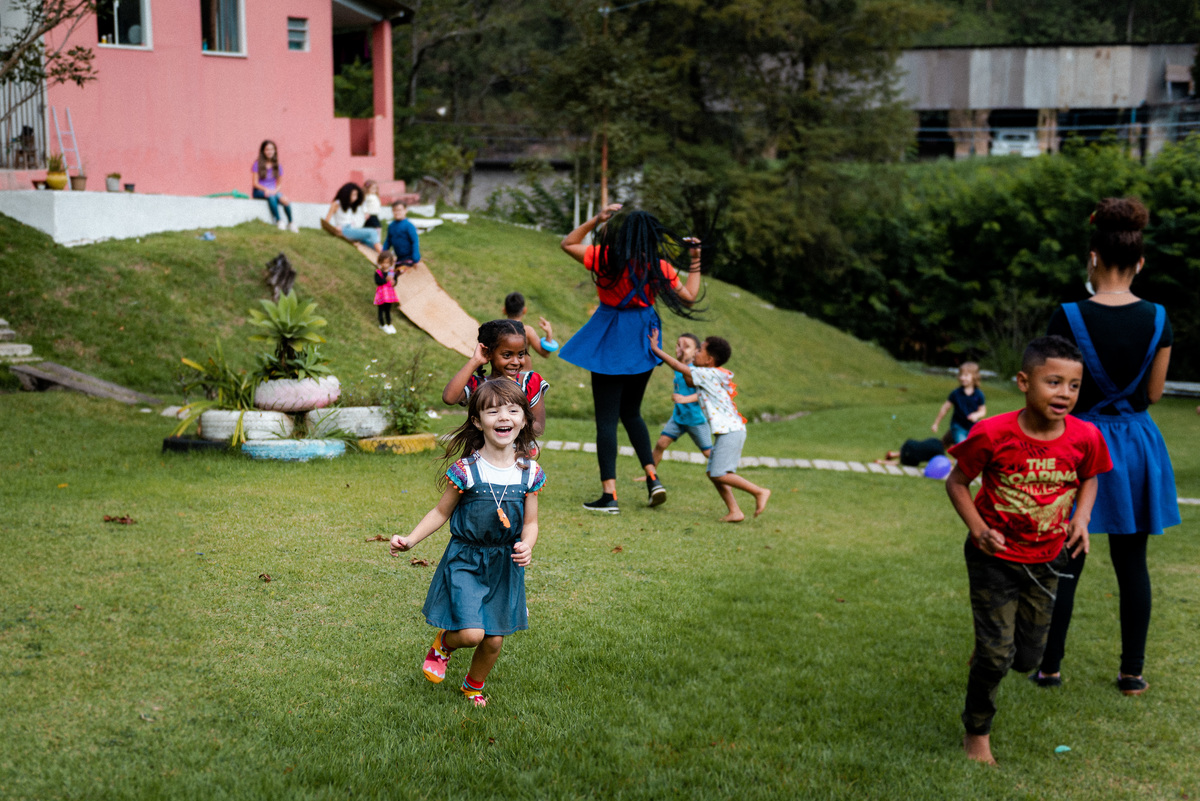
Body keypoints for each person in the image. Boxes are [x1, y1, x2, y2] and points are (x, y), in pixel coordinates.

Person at [1034, 197, 1180, 697]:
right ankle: (1131, 673)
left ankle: (1050, 668)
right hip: (1135, 446)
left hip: (1077, 443)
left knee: (1065, 559)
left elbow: (1052, 389)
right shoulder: (1159, 317)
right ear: (1140, 262)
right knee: (1132, 562)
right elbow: (1154, 394)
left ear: (1092, 257)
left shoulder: (1067, 315)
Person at [945, 335, 1112, 765]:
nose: (1065, 394)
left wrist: (1081, 518)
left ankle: (992, 648)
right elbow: (957, 482)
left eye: (1074, 386)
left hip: (1048, 559)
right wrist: (979, 529)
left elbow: (1090, 476)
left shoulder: (1086, 436)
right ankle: (976, 733)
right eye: (1053, 382)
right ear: (1024, 382)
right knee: (996, 656)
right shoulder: (991, 433)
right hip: (993, 557)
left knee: (1026, 658)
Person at [390, 379, 545, 709]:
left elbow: (530, 523)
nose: (503, 417)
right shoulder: (466, 470)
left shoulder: (529, 472)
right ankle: (444, 644)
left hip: (504, 564)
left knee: (494, 639)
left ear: (524, 420)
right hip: (467, 559)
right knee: (472, 634)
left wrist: (527, 545)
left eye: (513, 410)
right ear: (477, 421)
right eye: (493, 411)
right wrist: (411, 539)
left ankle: (472, 686)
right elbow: (441, 512)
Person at [559, 204, 703, 513]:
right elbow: (690, 297)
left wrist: (597, 219)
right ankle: (653, 478)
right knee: (632, 412)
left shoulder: (605, 258)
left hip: (610, 337)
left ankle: (609, 495)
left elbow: (568, 243)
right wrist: (695, 259)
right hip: (643, 340)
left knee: (607, 419)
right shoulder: (659, 267)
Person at [649, 331, 770, 522]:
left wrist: (656, 349)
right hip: (729, 431)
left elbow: (678, 367)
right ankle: (735, 511)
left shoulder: (708, 374)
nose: (696, 352)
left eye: (700, 351)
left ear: (709, 360)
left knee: (719, 473)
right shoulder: (709, 374)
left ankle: (759, 491)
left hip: (731, 432)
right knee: (713, 473)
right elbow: (687, 377)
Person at [443, 319, 548, 438]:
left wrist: (510, 425)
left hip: (520, 450)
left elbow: (538, 427)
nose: (516, 362)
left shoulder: (530, 382)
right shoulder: (478, 385)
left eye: (521, 354)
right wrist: (475, 361)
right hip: (484, 450)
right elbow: (449, 398)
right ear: (488, 353)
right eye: (507, 355)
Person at [639, 333, 712, 479]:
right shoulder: (680, 367)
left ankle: (727, 475)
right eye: (679, 345)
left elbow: (705, 394)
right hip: (678, 417)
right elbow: (673, 362)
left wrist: (685, 399)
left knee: (708, 453)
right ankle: (650, 477)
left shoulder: (695, 370)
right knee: (661, 444)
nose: (681, 349)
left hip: (696, 419)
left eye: (687, 346)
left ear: (696, 352)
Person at [932, 362, 987, 445]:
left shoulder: (979, 394)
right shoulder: (956, 393)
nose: (962, 378)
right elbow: (945, 408)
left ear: (974, 376)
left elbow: (982, 411)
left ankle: (949, 441)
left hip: (973, 427)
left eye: (966, 375)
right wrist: (936, 423)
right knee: (963, 447)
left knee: (975, 447)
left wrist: (976, 415)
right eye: (961, 375)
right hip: (958, 426)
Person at [504, 291, 558, 372]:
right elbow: (545, 354)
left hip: (504, 376)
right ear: (524, 310)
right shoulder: (527, 331)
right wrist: (549, 333)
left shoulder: (498, 330)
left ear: (504, 310)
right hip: (524, 376)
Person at [251, 140, 296, 232]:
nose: (269, 152)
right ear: (263, 151)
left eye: (271, 149)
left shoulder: (278, 166)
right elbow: (255, 183)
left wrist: (275, 191)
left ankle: (291, 223)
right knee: (271, 196)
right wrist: (266, 189)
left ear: (275, 151)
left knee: (285, 200)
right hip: (259, 191)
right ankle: (279, 221)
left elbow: (279, 184)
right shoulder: (257, 164)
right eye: (267, 149)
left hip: (273, 191)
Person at [325, 182, 381, 253]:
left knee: (371, 243)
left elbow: (362, 204)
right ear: (346, 194)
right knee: (373, 232)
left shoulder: (349, 204)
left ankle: (387, 255)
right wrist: (335, 229)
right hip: (343, 230)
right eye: (354, 195)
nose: (355, 198)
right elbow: (326, 222)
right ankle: (383, 254)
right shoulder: (336, 203)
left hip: (350, 229)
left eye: (356, 195)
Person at [382, 201, 421, 266]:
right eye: (395, 210)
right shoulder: (391, 226)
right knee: (387, 271)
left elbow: (415, 241)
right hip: (399, 259)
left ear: (405, 210)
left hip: (410, 259)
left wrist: (415, 257)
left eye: (399, 210)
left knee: (403, 271)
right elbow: (388, 241)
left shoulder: (409, 226)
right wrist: (383, 253)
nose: (397, 212)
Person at [373, 251, 399, 334]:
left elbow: (395, 281)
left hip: (389, 294)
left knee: (388, 309)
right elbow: (378, 282)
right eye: (383, 262)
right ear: (380, 262)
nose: (385, 265)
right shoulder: (378, 272)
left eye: (387, 263)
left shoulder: (392, 272)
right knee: (381, 309)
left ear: (390, 263)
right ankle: (382, 324)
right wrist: (385, 280)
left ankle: (389, 323)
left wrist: (394, 282)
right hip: (381, 294)